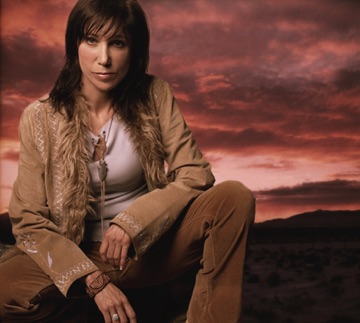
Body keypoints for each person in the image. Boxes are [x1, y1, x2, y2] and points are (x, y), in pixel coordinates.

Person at [0, 0, 255, 322]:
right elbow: (28, 220)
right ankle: (82, 304)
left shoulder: (155, 94)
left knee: (234, 198)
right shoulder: (39, 116)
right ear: (74, 44)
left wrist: (132, 222)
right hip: (73, 255)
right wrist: (93, 281)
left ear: (134, 49)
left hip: (147, 251)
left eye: (117, 43)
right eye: (91, 40)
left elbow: (195, 174)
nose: (104, 58)